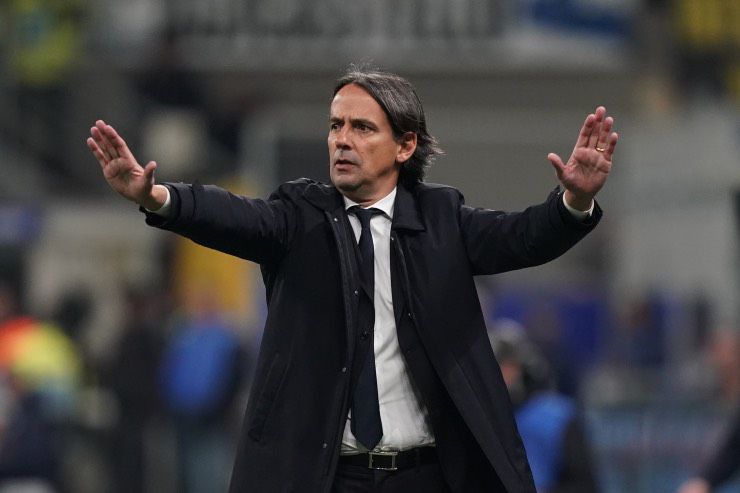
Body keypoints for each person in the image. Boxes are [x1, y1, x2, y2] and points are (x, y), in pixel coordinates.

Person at [86, 67, 618, 493]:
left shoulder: (441, 219)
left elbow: (523, 237)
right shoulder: (299, 217)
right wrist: (157, 197)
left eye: (362, 128)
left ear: (405, 146)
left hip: (426, 475)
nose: (342, 140)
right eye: (335, 125)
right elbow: (231, 215)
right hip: (328, 476)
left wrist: (574, 200)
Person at [489, 320, 599, 493]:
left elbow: (585, 485)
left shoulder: (557, 416)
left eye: (507, 365)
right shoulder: (486, 420)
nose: (503, 373)